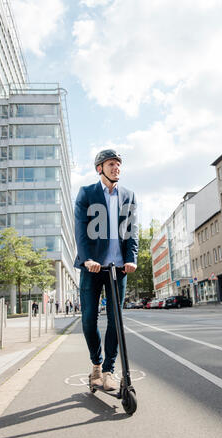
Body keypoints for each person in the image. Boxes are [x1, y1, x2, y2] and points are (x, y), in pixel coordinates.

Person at [74, 149, 138, 391]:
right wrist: (87, 259)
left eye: (119, 164)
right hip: (92, 267)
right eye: (111, 164)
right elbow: (80, 230)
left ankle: (110, 370)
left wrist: (131, 258)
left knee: (116, 321)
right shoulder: (87, 193)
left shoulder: (129, 195)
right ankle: (96, 365)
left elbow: (132, 231)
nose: (116, 168)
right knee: (89, 320)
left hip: (118, 268)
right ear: (99, 168)